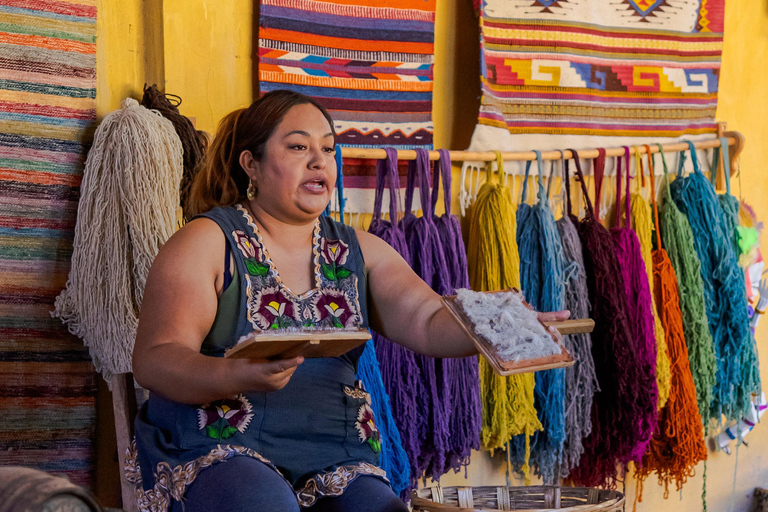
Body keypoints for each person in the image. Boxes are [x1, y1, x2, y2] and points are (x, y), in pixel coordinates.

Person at [130, 90, 569, 512]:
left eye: (327, 148)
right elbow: (155, 359)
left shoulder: (359, 250)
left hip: (333, 454)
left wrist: (503, 324)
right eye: (298, 147)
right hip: (218, 448)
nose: (319, 160)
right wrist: (235, 374)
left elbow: (426, 317)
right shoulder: (207, 243)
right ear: (252, 164)